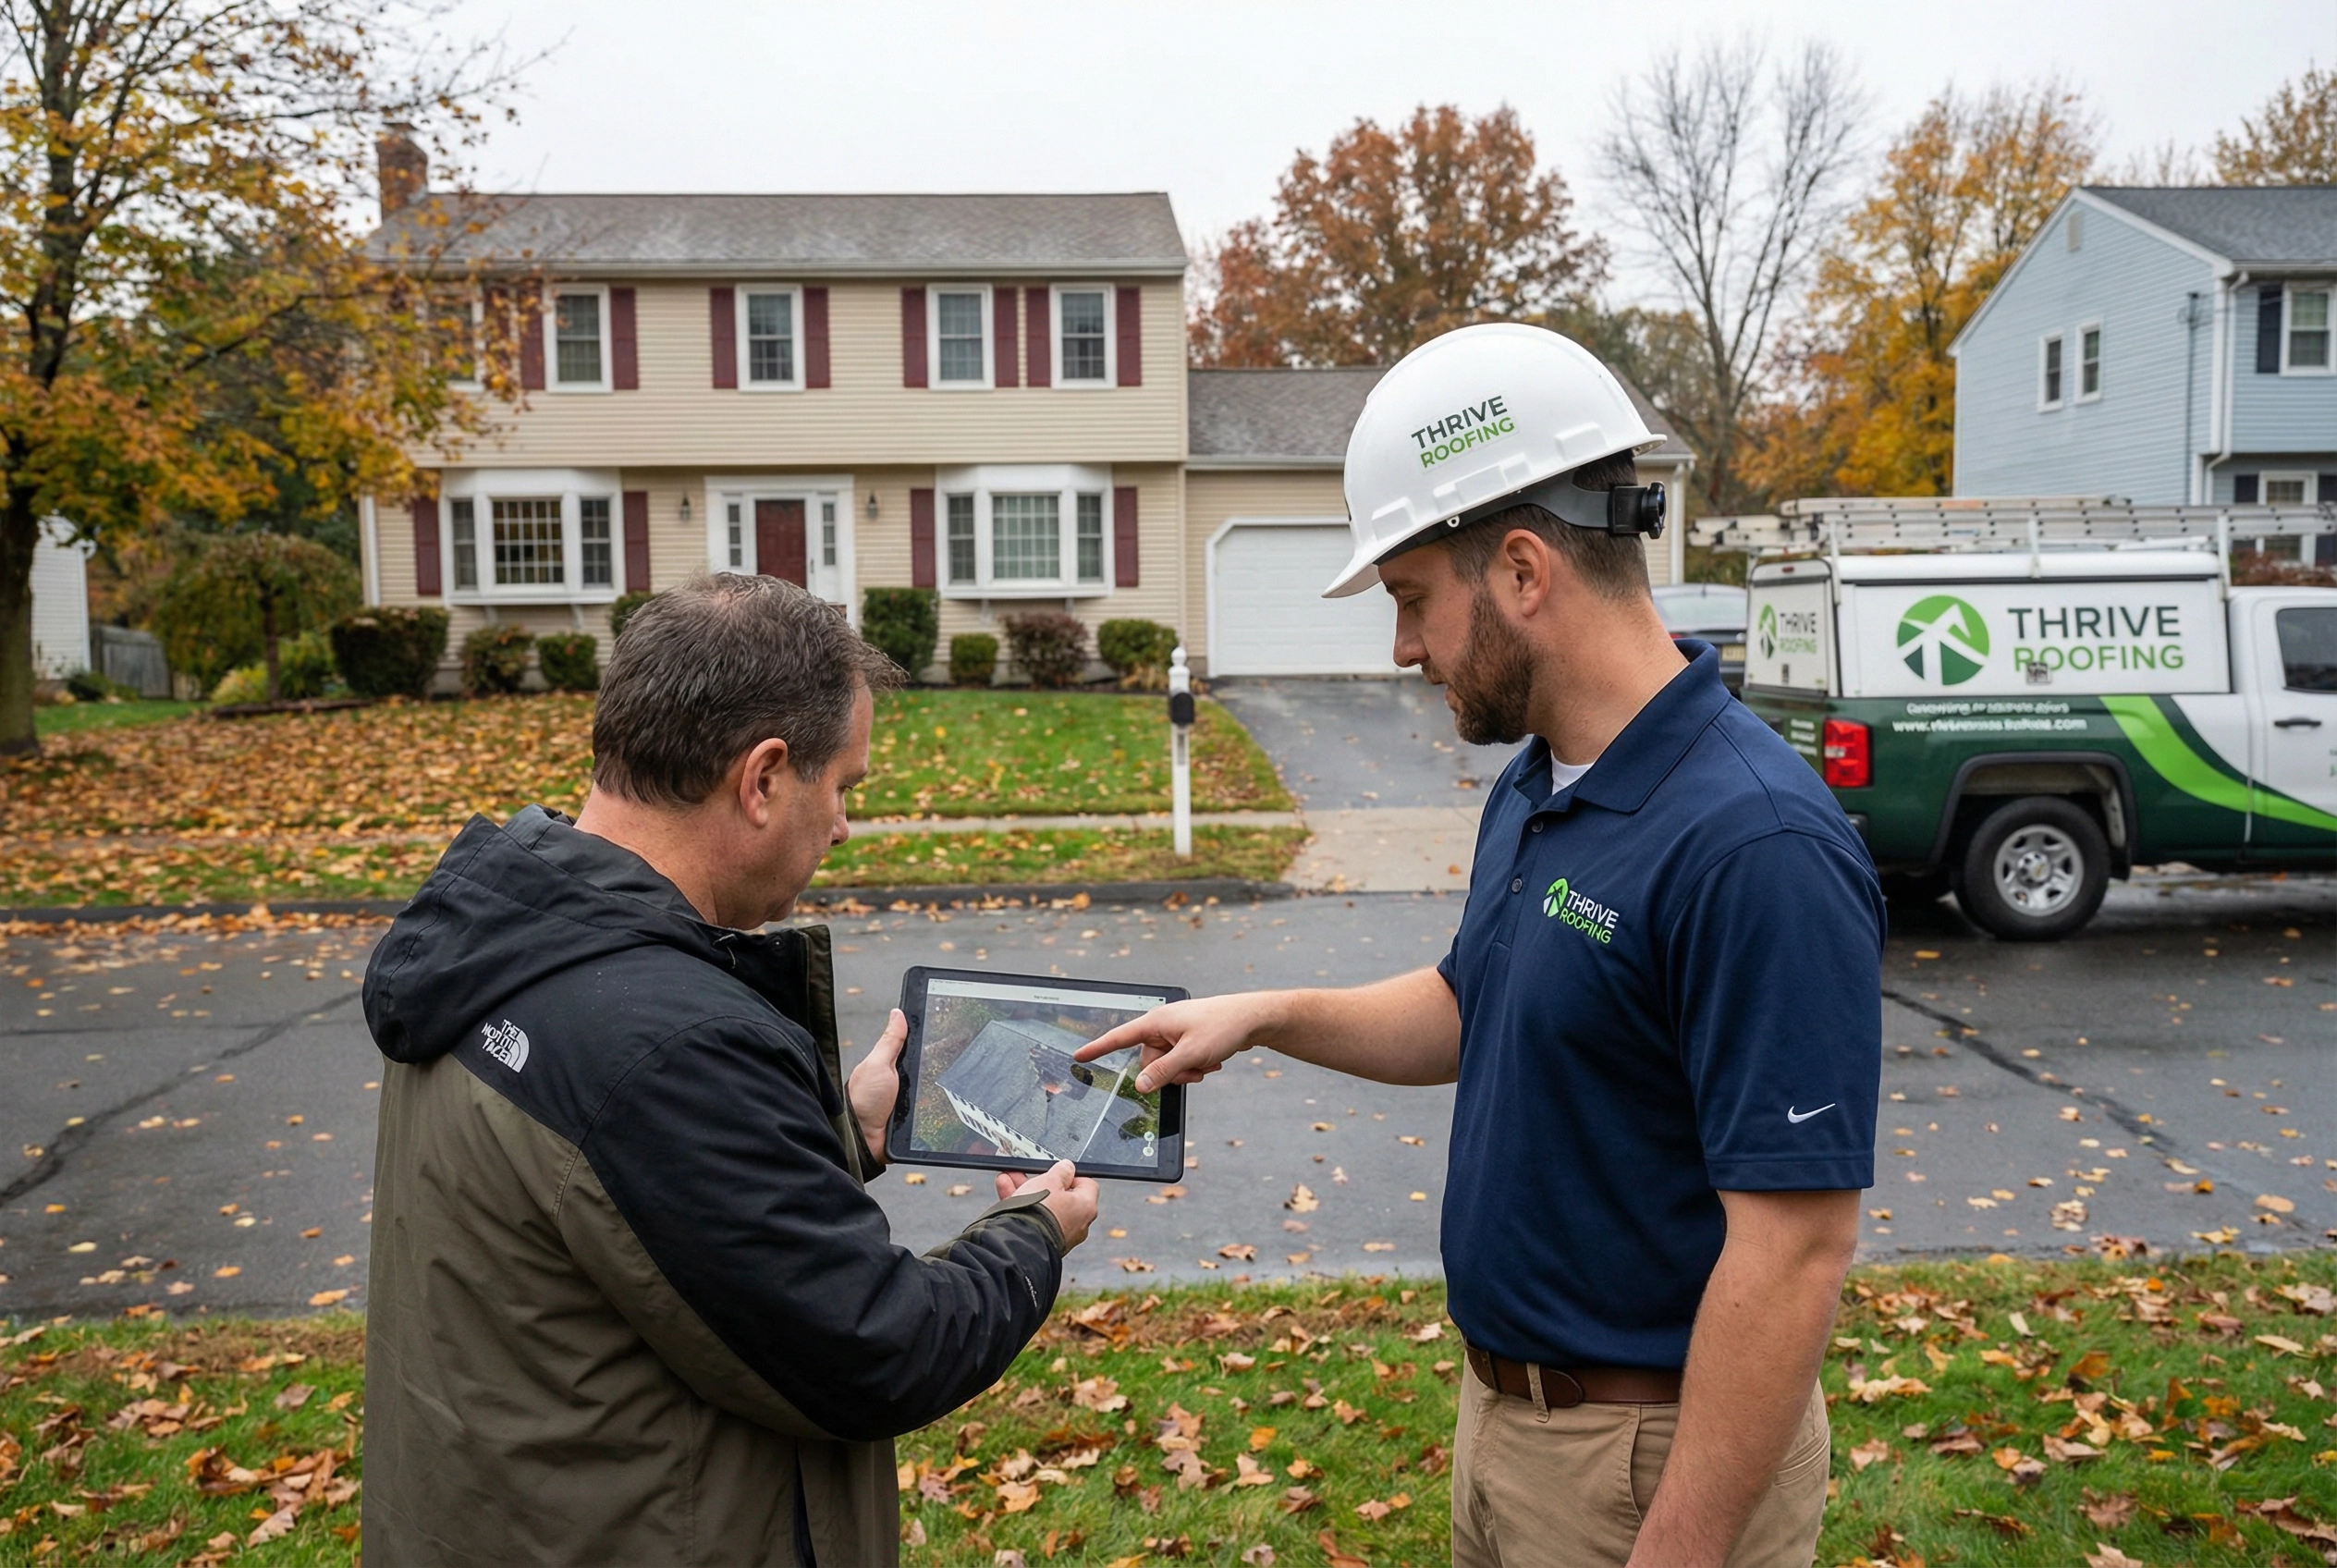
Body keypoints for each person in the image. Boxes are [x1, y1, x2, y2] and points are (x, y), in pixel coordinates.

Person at [1083, 324, 1882, 1568]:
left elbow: (1795, 1250)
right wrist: (1264, 1013)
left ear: (1520, 572)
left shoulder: (1754, 842)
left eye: (1412, 600)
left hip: (1653, 1465)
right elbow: (1476, 1003)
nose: (1403, 649)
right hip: (1508, 1428)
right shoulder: (1540, 783)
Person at [361, 573, 1098, 1566]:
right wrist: (1032, 1235)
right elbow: (877, 1350)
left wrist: (848, 1127)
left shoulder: (504, 940)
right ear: (761, 779)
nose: (841, 825)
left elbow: (641, 1209)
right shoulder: (666, 1040)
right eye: (841, 787)